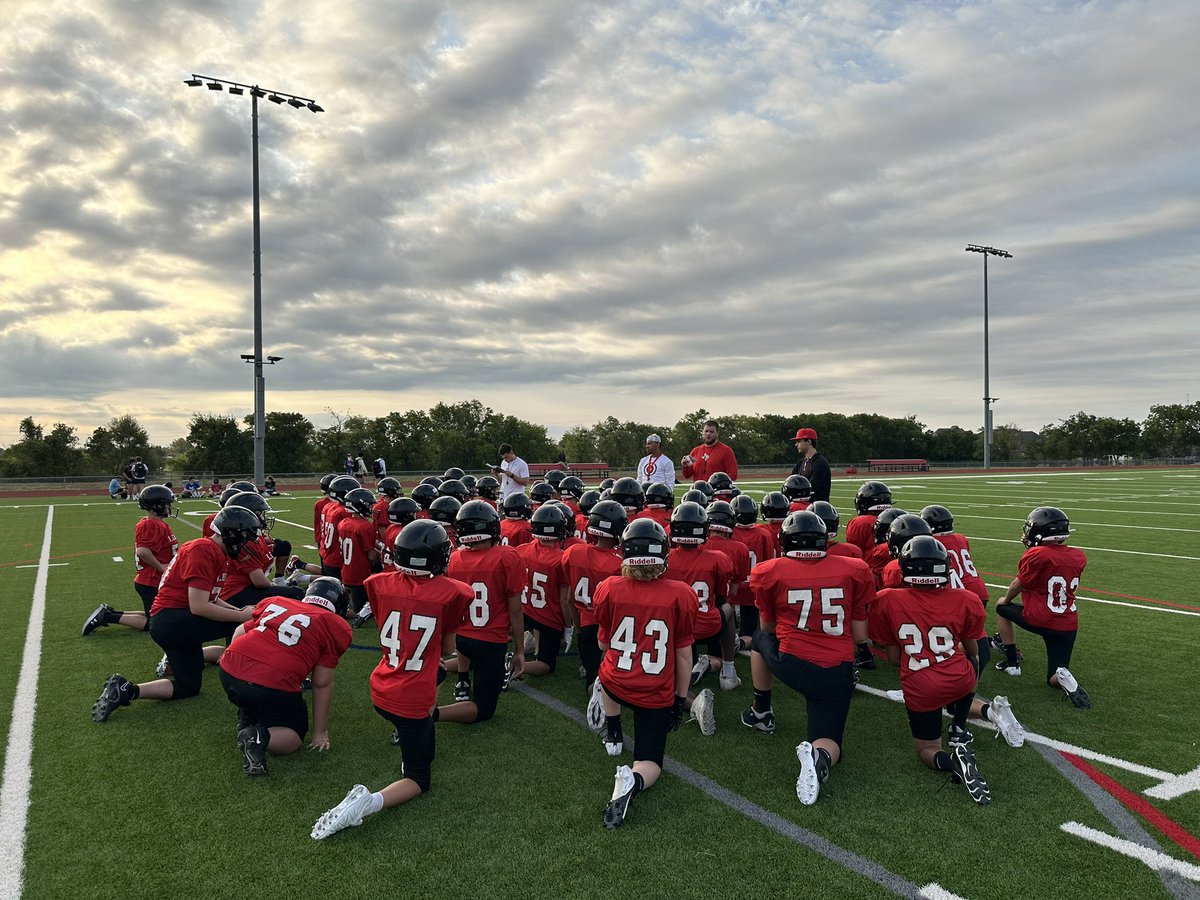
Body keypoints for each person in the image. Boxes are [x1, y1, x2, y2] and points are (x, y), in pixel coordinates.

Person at [310, 520, 470, 840]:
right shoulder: (454, 592)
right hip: (411, 698)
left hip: (382, 685)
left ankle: (410, 740)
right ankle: (368, 803)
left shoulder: (377, 582)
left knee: (423, 736)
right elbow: (449, 648)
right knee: (419, 779)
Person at [739, 511, 874, 806]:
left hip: (793, 662)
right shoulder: (854, 567)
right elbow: (859, 630)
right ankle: (820, 757)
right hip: (837, 670)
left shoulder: (769, 571)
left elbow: (767, 628)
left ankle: (761, 711)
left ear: (785, 542)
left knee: (759, 640)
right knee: (829, 740)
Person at [91, 506, 261, 723]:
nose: (247, 544)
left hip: (173, 623)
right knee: (247, 624)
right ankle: (253, 679)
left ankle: (126, 690)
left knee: (187, 687)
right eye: (246, 538)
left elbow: (212, 597)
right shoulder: (204, 549)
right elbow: (199, 607)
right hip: (174, 621)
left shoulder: (214, 551)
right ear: (233, 534)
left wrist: (238, 611)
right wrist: (242, 617)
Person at [868, 535, 991, 805]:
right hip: (959, 678)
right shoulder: (966, 599)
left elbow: (891, 657)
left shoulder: (886, 599)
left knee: (927, 748)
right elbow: (973, 649)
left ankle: (952, 763)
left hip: (919, 683)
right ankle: (958, 726)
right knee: (973, 662)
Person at [590, 518, 696, 828]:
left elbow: (603, 640)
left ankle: (613, 729)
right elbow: (683, 655)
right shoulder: (680, 593)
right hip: (655, 693)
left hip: (616, 681)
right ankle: (633, 782)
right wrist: (678, 700)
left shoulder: (608, 588)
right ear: (662, 554)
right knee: (651, 763)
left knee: (607, 671)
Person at [217, 577, 354, 776]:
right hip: (270, 685)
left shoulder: (277, 602)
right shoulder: (334, 625)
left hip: (229, 670)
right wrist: (320, 732)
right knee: (293, 736)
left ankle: (248, 716)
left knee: (254, 689)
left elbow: (239, 631)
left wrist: (233, 661)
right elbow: (321, 683)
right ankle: (256, 736)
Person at [994, 507, 1091, 708]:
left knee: (1001, 607)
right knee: (1053, 677)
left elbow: (1018, 584)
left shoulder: (1036, 555)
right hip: (1068, 624)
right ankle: (1065, 678)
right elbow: (1053, 562)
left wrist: (1006, 599)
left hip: (1040, 618)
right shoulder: (1078, 556)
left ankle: (1012, 664)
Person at [439, 500, 526, 721]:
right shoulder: (508, 557)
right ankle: (430, 716)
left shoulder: (455, 558)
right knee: (484, 709)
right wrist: (519, 650)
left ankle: (461, 679)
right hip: (491, 642)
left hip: (462, 640)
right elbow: (515, 611)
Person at [83, 484, 178, 636]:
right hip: (151, 580)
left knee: (158, 614)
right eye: (166, 504)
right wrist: (161, 567)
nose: (169, 507)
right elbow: (143, 551)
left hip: (152, 580)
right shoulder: (151, 524)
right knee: (155, 623)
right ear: (156, 506)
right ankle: (108, 617)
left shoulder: (155, 523)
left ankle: (110, 612)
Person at [564, 500, 627, 696]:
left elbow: (569, 598)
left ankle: (594, 689)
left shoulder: (574, 552)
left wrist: (578, 628)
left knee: (592, 671)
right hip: (610, 623)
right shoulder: (619, 563)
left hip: (585, 621)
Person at [789, 428, 831, 503]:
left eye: (798, 441)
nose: (796, 444)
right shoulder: (801, 462)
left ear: (808, 441)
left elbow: (811, 489)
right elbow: (791, 483)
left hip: (816, 509)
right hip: (803, 508)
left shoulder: (820, 463)